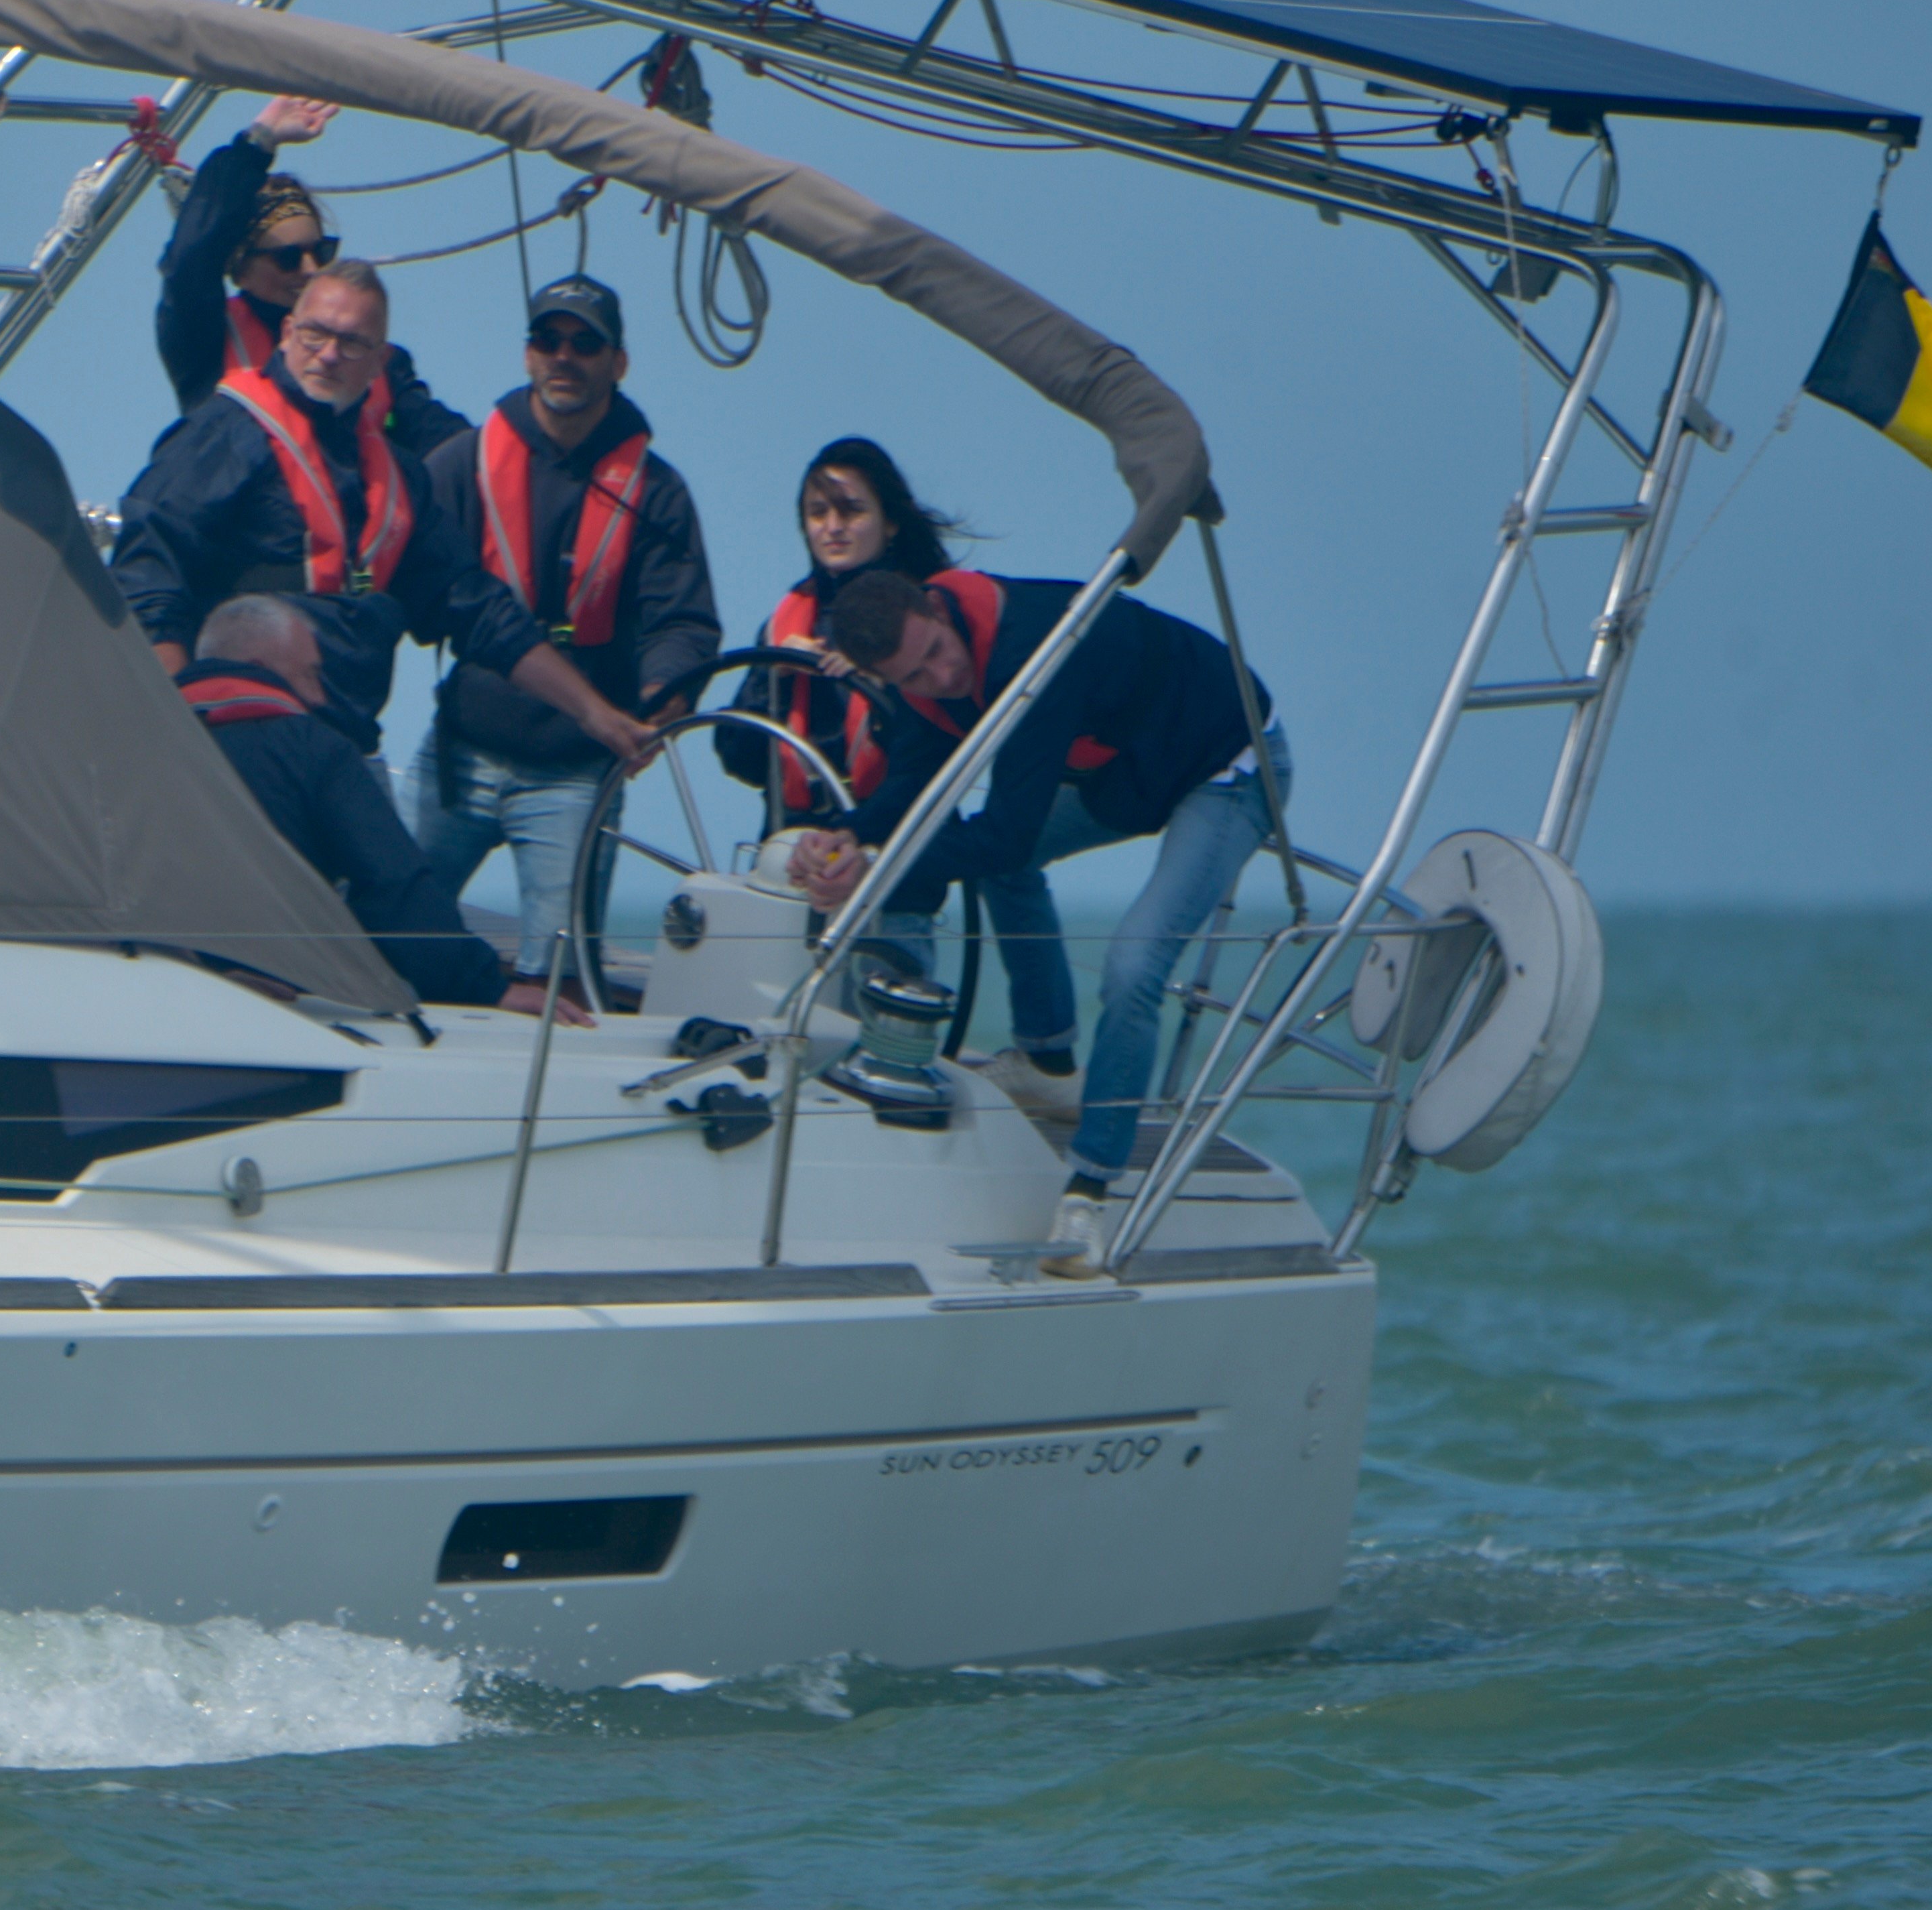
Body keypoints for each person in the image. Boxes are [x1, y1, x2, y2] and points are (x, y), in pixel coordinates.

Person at [793, 566, 1290, 1277]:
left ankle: (1088, 1191)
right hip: (1127, 774)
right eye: (917, 675)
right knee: (990, 863)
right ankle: (1049, 1061)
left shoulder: (1034, 651)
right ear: (885, 678)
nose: (945, 673)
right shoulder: (924, 685)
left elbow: (1005, 834)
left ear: (935, 606)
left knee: (1132, 967)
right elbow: (911, 785)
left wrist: (872, 871)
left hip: (1229, 768)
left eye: (938, 649)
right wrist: (841, 835)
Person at [109, 261, 657, 783]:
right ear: (285, 333)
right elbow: (149, 565)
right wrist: (178, 717)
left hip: (343, 747)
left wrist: (593, 714)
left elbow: (476, 609)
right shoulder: (227, 431)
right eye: (314, 335)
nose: (327, 355)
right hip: (235, 735)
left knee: (399, 881)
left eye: (350, 344)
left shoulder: (399, 481)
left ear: (379, 361)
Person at [720, 440, 1082, 1121]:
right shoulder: (785, 622)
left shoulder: (931, 622)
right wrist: (774, 676)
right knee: (789, 1051)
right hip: (798, 865)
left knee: (878, 1063)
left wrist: (872, 681)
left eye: (851, 510)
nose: (832, 525)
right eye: (816, 511)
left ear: (891, 521)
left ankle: (1029, 1060)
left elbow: (932, 766)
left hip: (896, 866)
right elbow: (736, 754)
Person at [413, 273, 720, 1000]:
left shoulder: (658, 491)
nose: (564, 356)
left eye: (585, 343)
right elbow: (404, 574)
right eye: (547, 340)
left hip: (575, 771)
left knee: (557, 984)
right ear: (526, 355)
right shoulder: (463, 463)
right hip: (457, 755)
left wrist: (662, 699)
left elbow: (685, 621)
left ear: (618, 362)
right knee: (377, 934)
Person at [178, 597, 551, 1013]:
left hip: (141, 985)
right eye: (312, 675)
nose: (319, 698)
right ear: (260, 670)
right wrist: (485, 987)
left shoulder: (128, 741)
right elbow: (392, 885)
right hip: (271, 1003)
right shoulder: (313, 748)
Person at [154, 95, 468, 456]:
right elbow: (189, 262)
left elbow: (447, 445)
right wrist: (257, 144)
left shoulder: (378, 361)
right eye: (288, 258)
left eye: (320, 252)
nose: (311, 270)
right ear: (240, 271)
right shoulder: (206, 341)